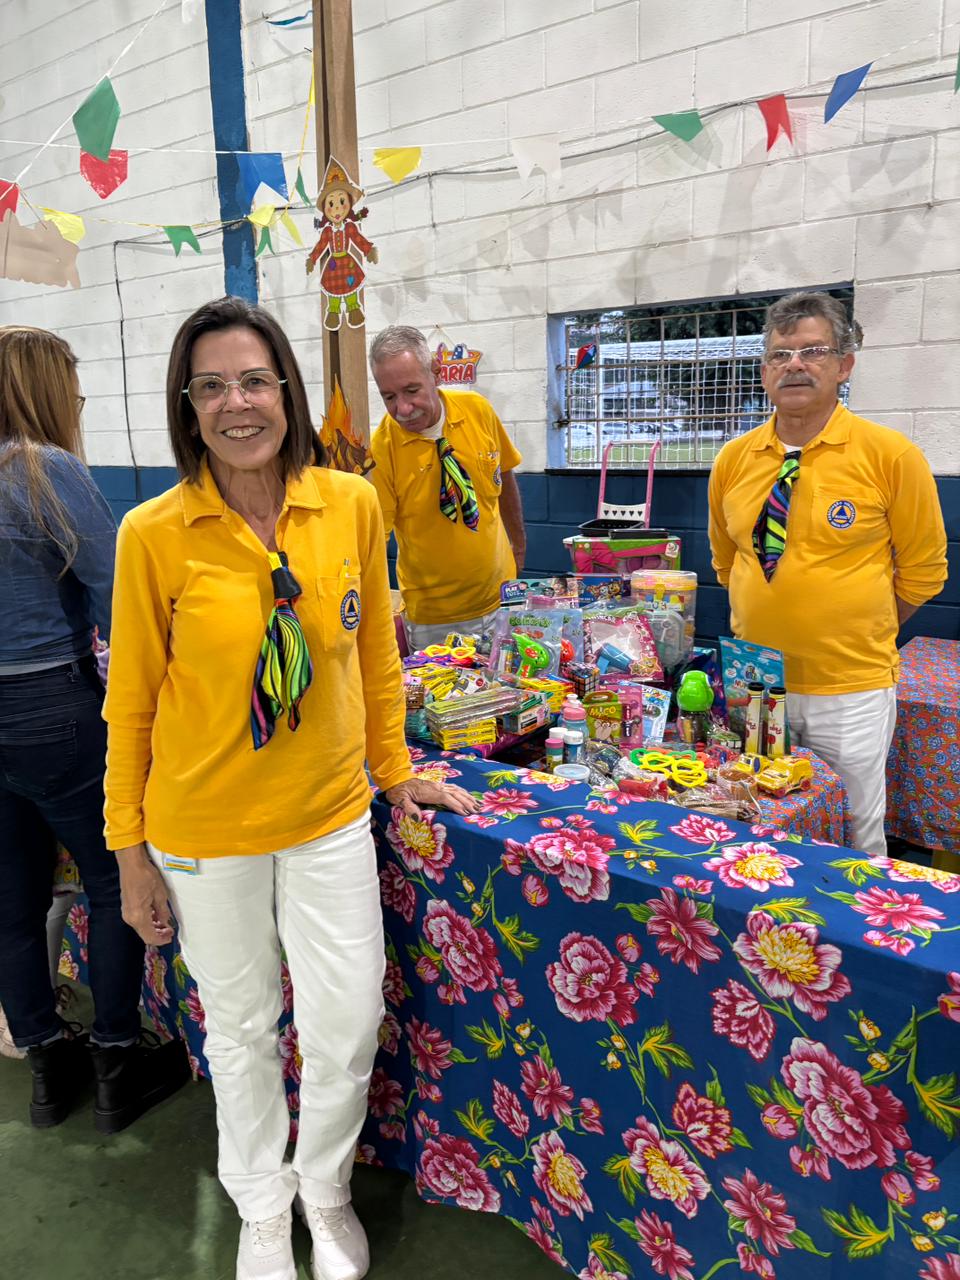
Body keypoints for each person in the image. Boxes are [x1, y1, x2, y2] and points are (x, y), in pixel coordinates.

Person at [105, 297, 478, 1280]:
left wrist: (396, 772)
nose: (238, 403)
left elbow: (378, 658)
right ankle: (262, 1205)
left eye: (255, 380)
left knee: (346, 1019)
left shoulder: (348, 504)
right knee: (239, 1030)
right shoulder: (153, 532)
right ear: (188, 407)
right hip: (203, 829)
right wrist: (127, 849)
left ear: (287, 391)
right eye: (212, 386)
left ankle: (326, 1185)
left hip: (327, 817)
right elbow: (129, 703)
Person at [0, 325, 188, 1126]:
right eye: (73, 391)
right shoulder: (46, 471)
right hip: (52, 703)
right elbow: (123, 599)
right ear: (48, 390)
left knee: (12, 898)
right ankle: (116, 1061)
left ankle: (49, 1069)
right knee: (115, 880)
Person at [708, 291, 948, 855]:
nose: (794, 365)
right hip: (756, 685)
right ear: (764, 370)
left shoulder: (890, 456)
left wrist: (856, 631)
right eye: (779, 354)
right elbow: (727, 562)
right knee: (756, 824)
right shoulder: (733, 460)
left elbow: (924, 572)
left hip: (850, 688)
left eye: (813, 351)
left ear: (845, 365)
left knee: (855, 833)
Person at [368, 326, 526, 650]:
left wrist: (519, 544)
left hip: (503, 599)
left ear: (436, 373)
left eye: (411, 390)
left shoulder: (478, 410)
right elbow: (373, 542)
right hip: (434, 622)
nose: (403, 408)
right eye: (389, 397)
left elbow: (505, 474)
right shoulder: (381, 450)